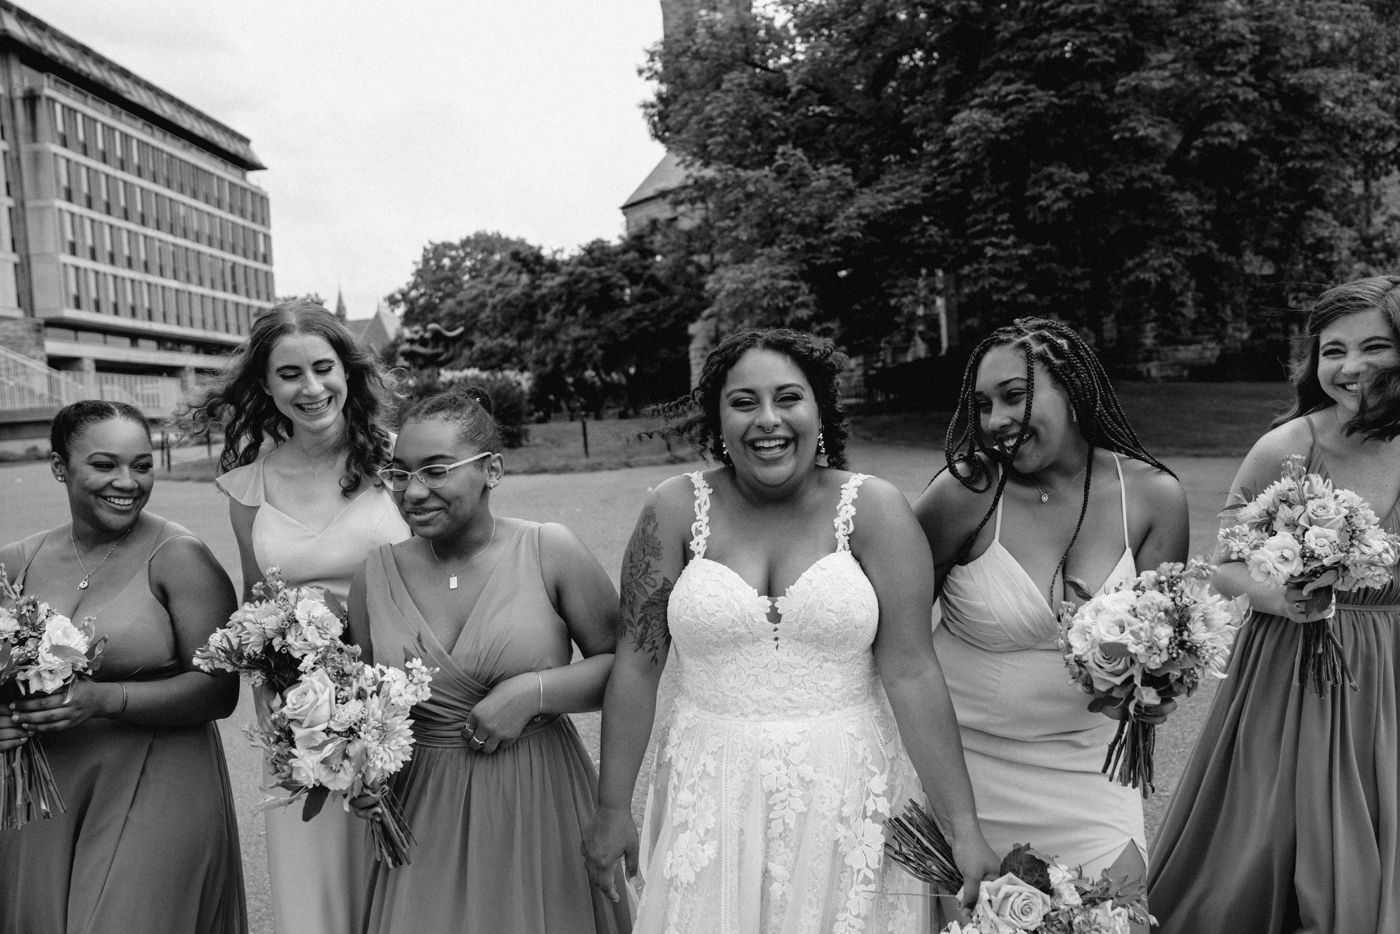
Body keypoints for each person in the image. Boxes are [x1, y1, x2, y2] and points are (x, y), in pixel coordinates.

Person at [584, 328, 999, 933]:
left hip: (852, 794)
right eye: (743, 402)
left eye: (788, 398)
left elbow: (912, 672)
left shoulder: (876, 510)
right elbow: (636, 666)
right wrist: (612, 807)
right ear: (717, 420)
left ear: (820, 410)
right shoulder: (672, 510)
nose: (768, 420)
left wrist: (964, 829)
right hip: (713, 788)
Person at [1147, 276, 1400, 933]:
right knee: (1279, 837)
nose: (1351, 367)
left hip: (1390, 670)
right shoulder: (1289, 446)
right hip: (1293, 668)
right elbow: (1227, 560)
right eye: (1332, 351)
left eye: (1375, 346)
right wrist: (1284, 598)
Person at [913, 317, 1189, 890]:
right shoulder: (966, 493)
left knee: (1118, 919)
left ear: (1074, 388)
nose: (996, 421)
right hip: (966, 771)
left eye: (1015, 397)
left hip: (1089, 772)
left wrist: (1153, 693)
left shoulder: (1152, 497)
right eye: (984, 404)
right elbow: (897, 638)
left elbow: (1166, 646)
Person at [346, 386, 630, 933]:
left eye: (435, 470)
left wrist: (531, 693)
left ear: (492, 470)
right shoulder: (374, 573)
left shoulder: (551, 549)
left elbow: (626, 668)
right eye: (399, 473)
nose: (413, 491)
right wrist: (358, 772)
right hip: (420, 808)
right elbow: (365, 705)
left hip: (535, 795)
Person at [182, 299, 409, 934]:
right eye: (289, 374)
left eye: (323, 367)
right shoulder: (247, 487)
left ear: (348, 370)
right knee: (315, 879)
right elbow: (259, 604)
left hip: (401, 699)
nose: (311, 388)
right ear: (265, 385)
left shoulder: (399, 462)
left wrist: (379, 701)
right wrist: (293, 711)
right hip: (298, 710)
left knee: (408, 873)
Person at [0, 400, 246, 933]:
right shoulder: (17, 561)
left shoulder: (181, 557)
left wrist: (103, 700)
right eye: (105, 464)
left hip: (159, 781)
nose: (128, 482)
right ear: (60, 465)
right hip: (46, 796)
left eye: (142, 464)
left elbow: (220, 692)